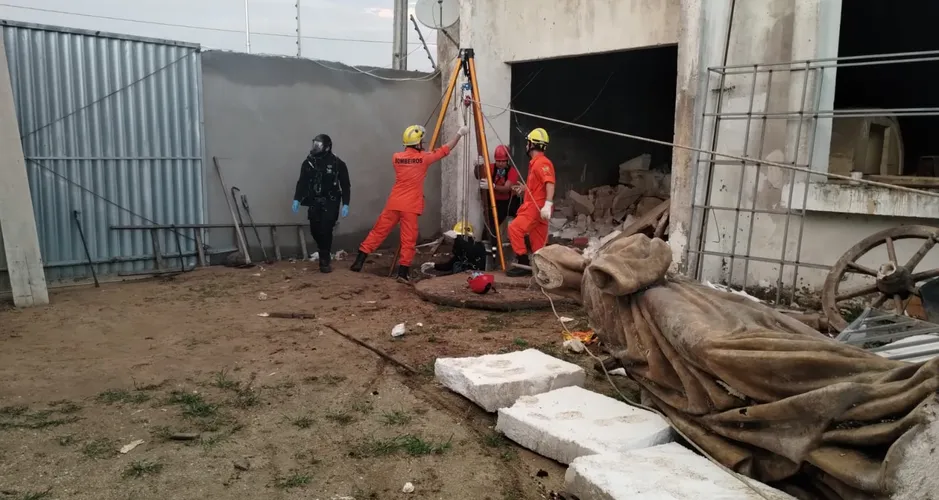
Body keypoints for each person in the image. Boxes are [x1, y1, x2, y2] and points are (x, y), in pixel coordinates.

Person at [350, 123, 468, 282]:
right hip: (410, 207)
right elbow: (445, 149)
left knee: (378, 232)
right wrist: (459, 134)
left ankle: (359, 261)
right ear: (418, 143)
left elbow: (411, 157)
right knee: (408, 240)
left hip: (394, 203)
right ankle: (402, 273)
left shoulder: (396, 158)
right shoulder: (424, 159)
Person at [292, 133, 350, 273]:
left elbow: (345, 185)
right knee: (315, 229)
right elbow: (302, 182)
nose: (315, 147)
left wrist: (346, 203)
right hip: (314, 201)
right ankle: (323, 249)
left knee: (326, 229)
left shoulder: (337, 163)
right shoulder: (309, 163)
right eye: (314, 144)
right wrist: (297, 199)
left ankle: (324, 259)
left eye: (318, 145)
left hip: (331, 201)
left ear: (326, 147)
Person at [505, 128, 555, 278]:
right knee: (538, 242)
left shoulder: (541, 163)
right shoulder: (536, 164)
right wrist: (525, 189)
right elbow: (538, 185)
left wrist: (547, 204)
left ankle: (523, 262)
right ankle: (542, 269)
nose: (526, 145)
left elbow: (549, 183)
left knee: (514, 228)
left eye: (528, 143)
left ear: (532, 144)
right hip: (540, 209)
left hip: (536, 207)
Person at [476, 144, 521, 241]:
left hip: (506, 203)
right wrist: (478, 166)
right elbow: (478, 175)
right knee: (490, 227)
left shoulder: (512, 172)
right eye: (498, 161)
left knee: (522, 215)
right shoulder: (490, 168)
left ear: (507, 160)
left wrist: (493, 186)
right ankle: (488, 247)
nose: (500, 163)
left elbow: (506, 188)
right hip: (492, 203)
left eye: (503, 161)